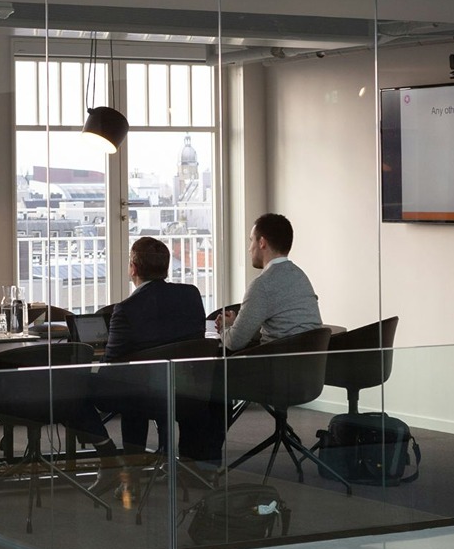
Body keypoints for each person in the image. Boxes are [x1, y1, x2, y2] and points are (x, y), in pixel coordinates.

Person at [76, 237, 207, 496]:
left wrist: (92, 366)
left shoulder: (126, 309)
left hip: (143, 395)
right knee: (136, 384)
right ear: (166, 268)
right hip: (186, 392)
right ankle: (133, 475)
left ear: (133, 268)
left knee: (76, 386)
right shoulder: (190, 295)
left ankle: (110, 458)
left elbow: (111, 366)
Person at [215, 213, 322, 350]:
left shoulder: (262, 285)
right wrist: (238, 324)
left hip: (275, 367)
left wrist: (225, 326)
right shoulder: (301, 277)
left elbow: (234, 342)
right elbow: (283, 324)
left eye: (251, 240)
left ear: (261, 243)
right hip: (309, 367)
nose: (249, 249)